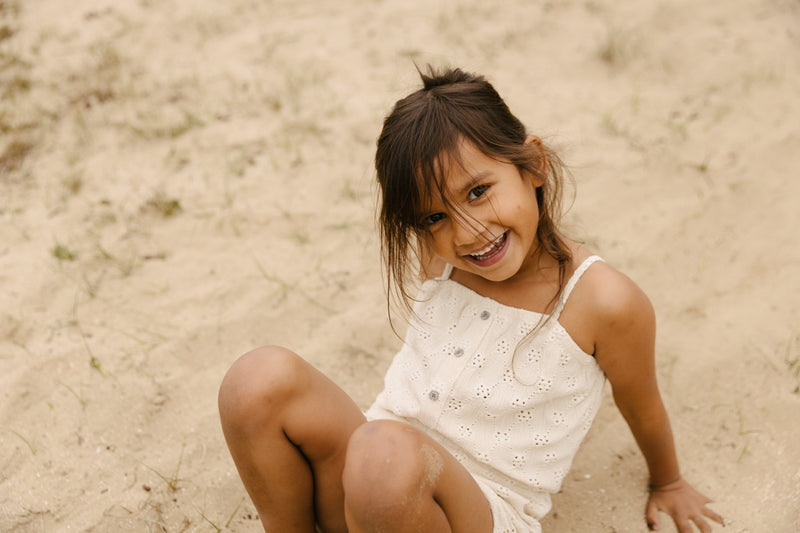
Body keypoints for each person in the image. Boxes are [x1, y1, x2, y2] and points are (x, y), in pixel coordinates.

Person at [218, 66, 724, 533]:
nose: (468, 233)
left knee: (384, 456)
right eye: (434, 217)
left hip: (474, 511)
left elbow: (644, 405)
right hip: (372, 487)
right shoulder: (441, 257)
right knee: (257, 379)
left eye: (478, 191)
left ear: (535, 166)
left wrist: (669, 482)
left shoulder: (603, 301)